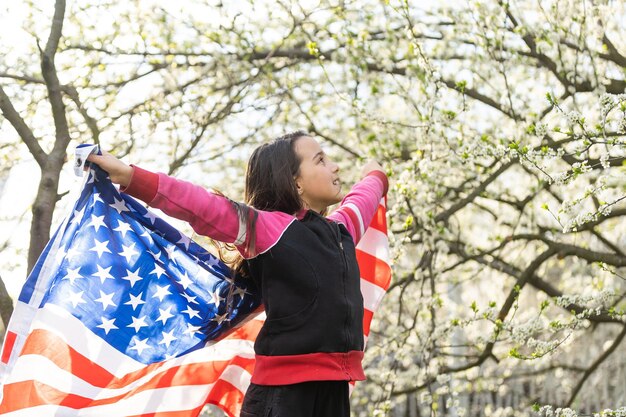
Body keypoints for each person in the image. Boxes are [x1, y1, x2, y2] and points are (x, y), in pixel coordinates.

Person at [87, 131, 388, 417]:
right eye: (321, 160)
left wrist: (375, 176)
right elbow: (201, 206)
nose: (334, 166)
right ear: (295, 181)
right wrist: (130, 176)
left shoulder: (341, 231)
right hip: (284, 395)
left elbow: (363, 198)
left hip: (334, 390)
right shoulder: (267, 229)